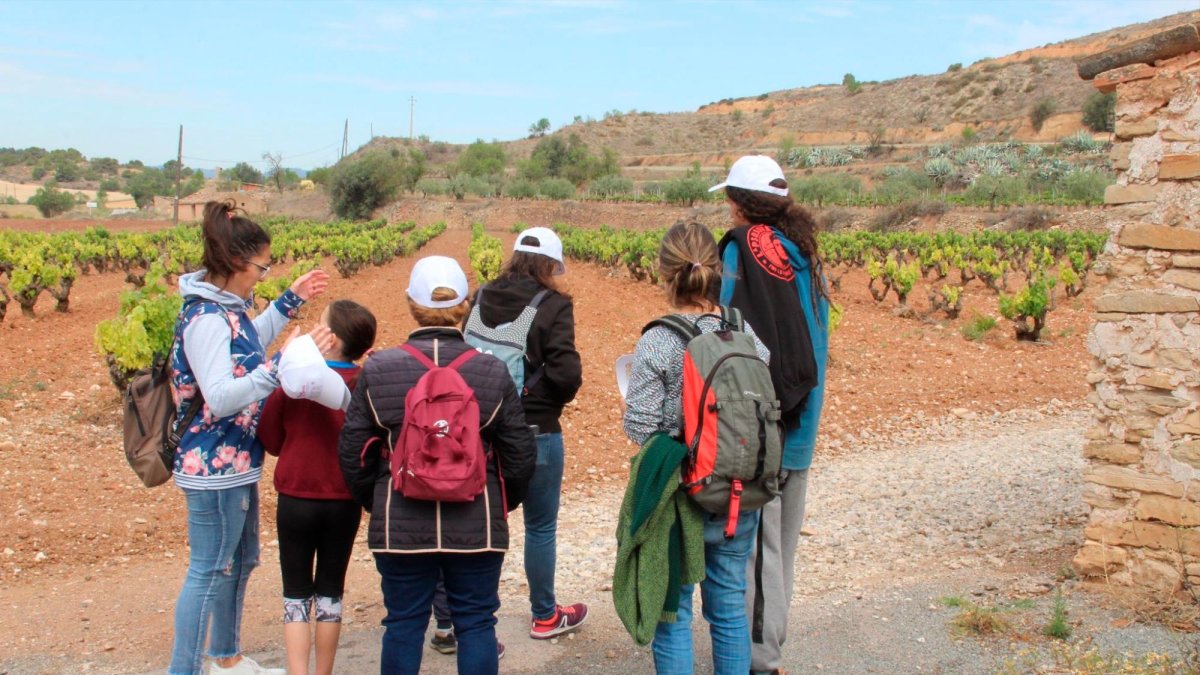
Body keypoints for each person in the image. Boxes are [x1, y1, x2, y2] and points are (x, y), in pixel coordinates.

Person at [338, 256, 535, 675]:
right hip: (477, 523)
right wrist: (501, 503)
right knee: (476, 622)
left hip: (400, 522)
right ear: (466, 305)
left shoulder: (379, 369)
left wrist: (378, 500)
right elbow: (519, 453)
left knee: (403, 624)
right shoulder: (491, 370)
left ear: (411, 303)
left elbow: (353, 452)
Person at [169, 200, 331, 675]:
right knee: (208, 570)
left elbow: (247, 344)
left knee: (240, 562)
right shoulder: (206, 318)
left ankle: (226, 658)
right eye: (262, 267)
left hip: (235, 462)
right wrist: (281, 367)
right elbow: (220, 396)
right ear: (237, 262)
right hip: (213, 468)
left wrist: (288, 301)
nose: (264, 274)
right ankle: (184, 669)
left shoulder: (227, 309)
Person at [623, 221, 771, 674]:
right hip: (737, 490)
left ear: (664, 273)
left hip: (681, 493)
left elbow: (641, 426)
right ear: (717, 272)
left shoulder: (659, 339)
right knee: (728, 607)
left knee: (674, 612)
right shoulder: (743, 332)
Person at [712, 156, 830, 675]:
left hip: (765, 424)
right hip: (803, 419)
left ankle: (761, 660)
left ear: (739, 203)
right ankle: (767, 646)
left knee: (758, 549)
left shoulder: (743, 249)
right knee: (781, 546)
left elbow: (727, 329)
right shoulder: (802, 252)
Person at [463, 226, 587, 639]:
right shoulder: (553, 304)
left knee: (480, 523)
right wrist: (543, 403)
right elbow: (566, 374)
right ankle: (545, 616)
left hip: (478, 430)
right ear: (550, 265)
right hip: (535, 430)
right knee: (540, 527)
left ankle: (464, 620)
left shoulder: (481, 295)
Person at [258, 300, 378, 675]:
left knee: (295, 592)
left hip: (296, 496)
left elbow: (270, 439)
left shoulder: (295, 382)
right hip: (344, 499)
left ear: (331, 339)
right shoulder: (365, 383)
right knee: (330, 590)